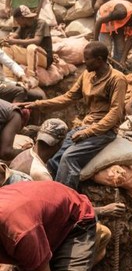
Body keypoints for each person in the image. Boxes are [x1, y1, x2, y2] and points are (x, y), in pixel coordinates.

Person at [22, 41, 126, 190]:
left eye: (87, 59)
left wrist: (88, 132)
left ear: (100, 60)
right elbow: (69, 97)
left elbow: (115, 113)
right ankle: (46, 191)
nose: (84, 62)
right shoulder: (87, 75)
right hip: (87, 125)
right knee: (55, 158)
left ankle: (65, 199)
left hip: (105, 130)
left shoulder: (117, 79)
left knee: (69, 158)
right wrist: (38, 104)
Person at [93, 0, 132, 68]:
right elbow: (99, 21)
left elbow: (130, 39)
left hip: (119, 22)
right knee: (106, 49)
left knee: (120, 49)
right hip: (105, 17)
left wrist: (123, 60)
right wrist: (95, 41)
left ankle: (117, 68)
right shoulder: (121, 13)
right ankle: (105, 71)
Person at [3, 5, 53, 77]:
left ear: (22, 18)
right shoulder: (23, 26)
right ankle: (9, 78)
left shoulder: (41, 23)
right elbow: (15, 35)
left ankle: (32, 77)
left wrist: (15, 41)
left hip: (44, 58)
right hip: (30, 56)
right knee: (6, 48)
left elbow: (37, 41)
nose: (17, 23)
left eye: (17, 20)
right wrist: (8, 39)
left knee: (32, 47)